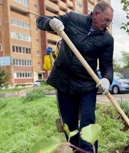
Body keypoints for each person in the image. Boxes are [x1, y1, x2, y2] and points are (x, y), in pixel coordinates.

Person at [36, 1, 114, 152]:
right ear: (96, 13)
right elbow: (40, 21)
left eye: (110, 22)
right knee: (70, 125)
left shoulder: (106, 39)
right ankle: (77, 150)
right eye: (106, 20)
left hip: (86, 85)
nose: (108, 25)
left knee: (88, 123)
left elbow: (107, 67)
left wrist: (107, 79)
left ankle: (89, 151)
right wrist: (51, 22)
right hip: (64, 82)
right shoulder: (73, 19)